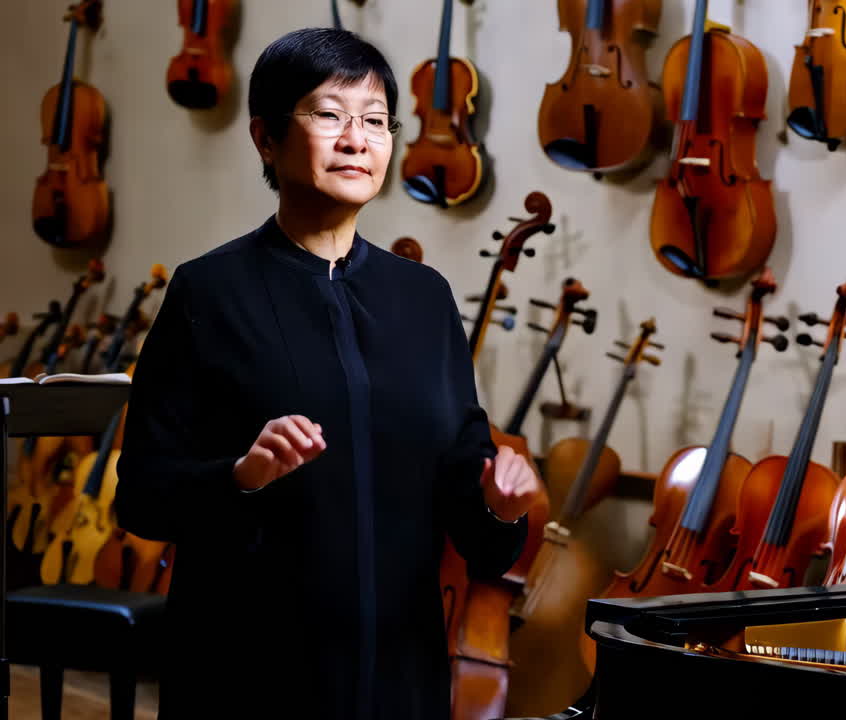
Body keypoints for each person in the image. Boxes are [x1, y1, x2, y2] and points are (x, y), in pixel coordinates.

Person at [115, 27, 540, 720]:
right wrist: (239, 477)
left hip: (401, 676)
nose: (357, 139)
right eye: (329, 116)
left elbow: (472, 508)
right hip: (249, 675)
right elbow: (142, 497)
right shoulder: (207, 293)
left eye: (375, 121)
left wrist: (501, 504)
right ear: (266, 138)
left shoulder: (424, 299)